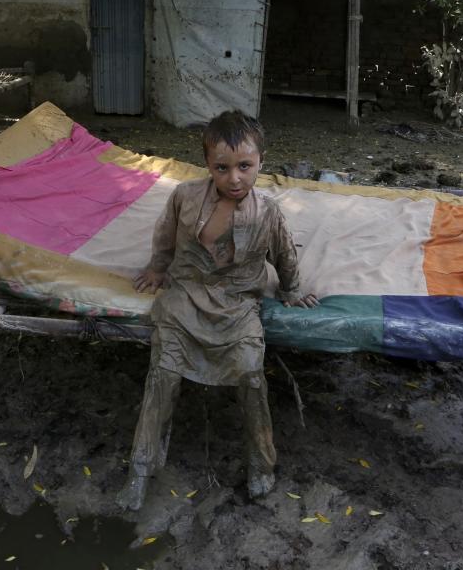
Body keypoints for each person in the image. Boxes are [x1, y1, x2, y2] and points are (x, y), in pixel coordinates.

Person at [116, 110, 318, 511]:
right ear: (208, 165)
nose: (234, 178)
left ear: (261, 161)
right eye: (222, 168)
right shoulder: (185, 198)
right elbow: (165, 236)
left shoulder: (268, 212)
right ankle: (140, 469)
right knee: (162, 375)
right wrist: (157, 268)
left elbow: (283, 254)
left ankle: (261, 464)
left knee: (251, 374)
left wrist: (292, 290)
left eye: (245, 166)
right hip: (185, 299)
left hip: (239, 305)